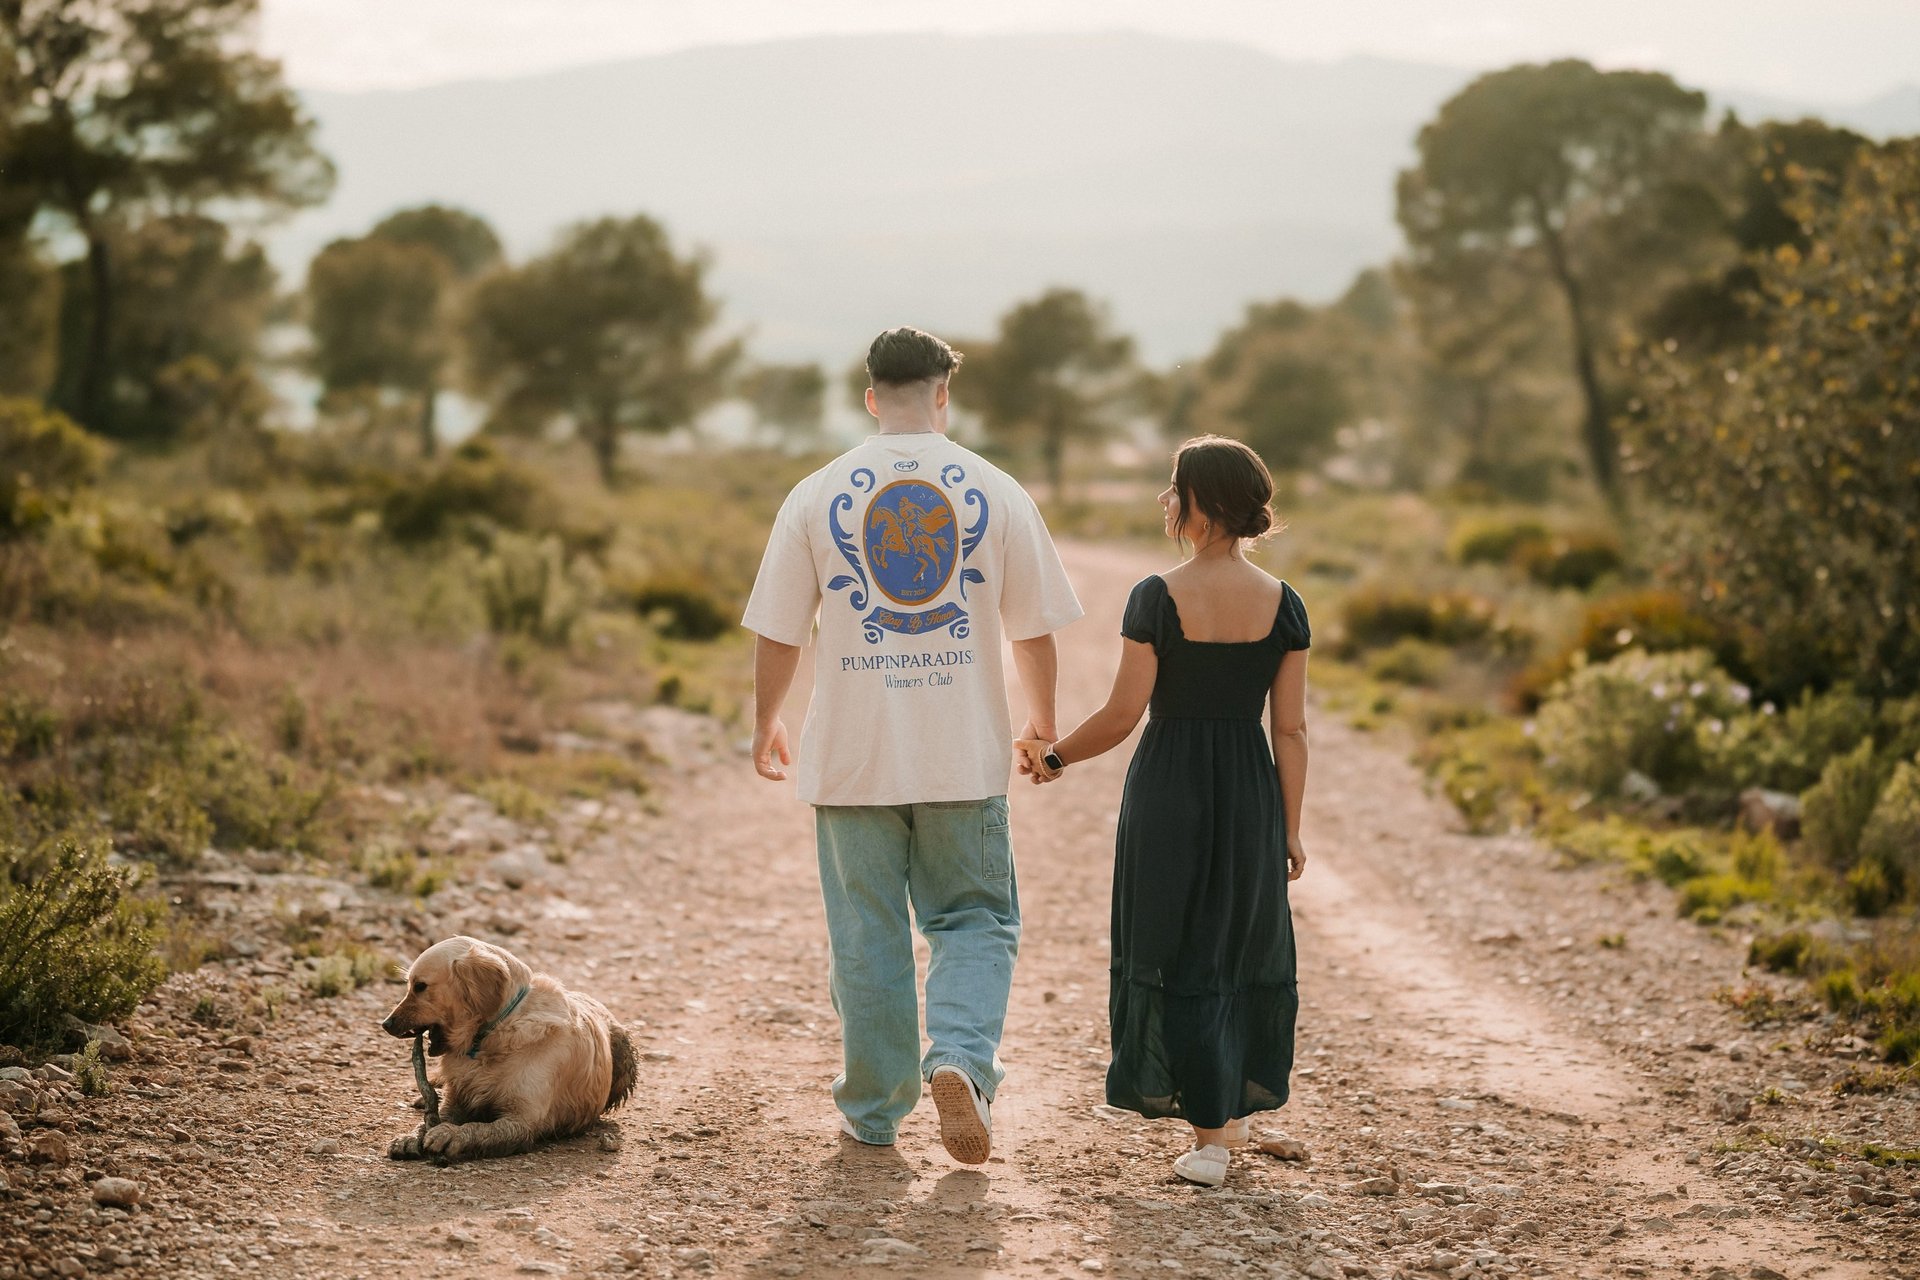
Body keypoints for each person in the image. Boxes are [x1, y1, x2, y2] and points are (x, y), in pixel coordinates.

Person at [743, 327, 1082, 1164]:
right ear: (943, 394)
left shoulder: (816, 494)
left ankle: (874, 1110)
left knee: (867, 935)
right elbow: (1034, 629)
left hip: (852, 759)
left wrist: (765, 722)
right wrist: (1040, 726)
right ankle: (961, 1060)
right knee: (974, 919)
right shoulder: (996, 489)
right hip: (960, 756)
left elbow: (780, 631)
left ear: (869, 398)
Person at [1016, 435, 1310, 1188]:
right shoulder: (1287, 604)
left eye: (1173, 487)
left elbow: (1122, 715)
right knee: (1235, 943)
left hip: (1170, 788)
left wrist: (1053, 758)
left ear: (1202, 504)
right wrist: (1291, 825)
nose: (1163, 500)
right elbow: (1291, 729)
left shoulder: (1157, 596)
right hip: (1248, 788)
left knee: (1175, 946)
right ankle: (1230, 1114)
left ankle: (1210, 1142)